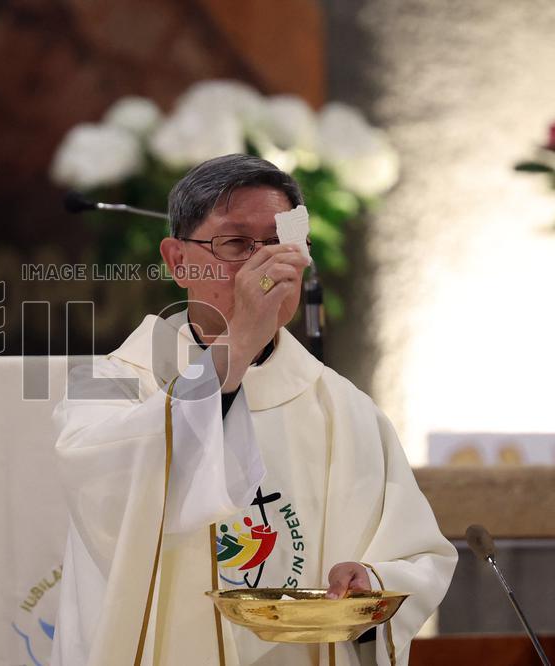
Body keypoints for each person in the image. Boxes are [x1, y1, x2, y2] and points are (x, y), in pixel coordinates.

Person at [50, 154, 457, 666]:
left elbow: (420, 556)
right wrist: (238, 341)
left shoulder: (345, 409)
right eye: (237, 244)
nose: (266, 265)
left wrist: (372, 581)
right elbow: (108, 499)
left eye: (280, 244)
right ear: (178, 261)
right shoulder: (104, 383)